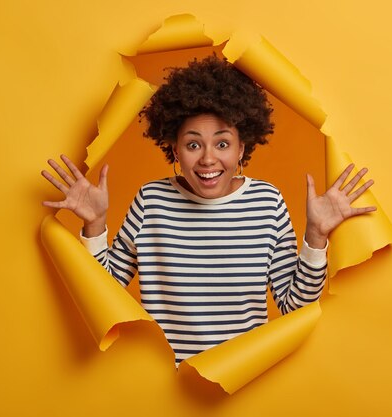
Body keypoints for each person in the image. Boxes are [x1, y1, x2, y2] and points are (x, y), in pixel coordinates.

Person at [41, 55, 375, 365]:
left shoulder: (267, 202)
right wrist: (96, 226)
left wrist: (316, 237)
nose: (208, 159)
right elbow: (107, 293)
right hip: (163, 384)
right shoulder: (152, 200)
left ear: (242, 147)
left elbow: (294, 307)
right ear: (174, 149)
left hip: (242, 376)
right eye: (193, 144)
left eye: (222, 143)